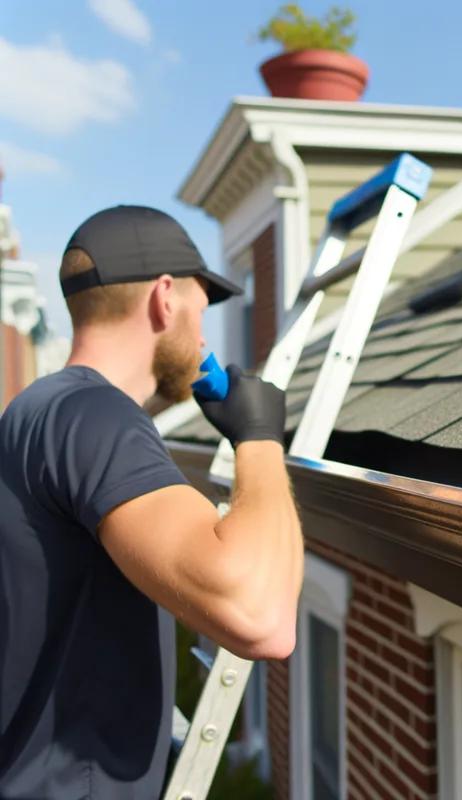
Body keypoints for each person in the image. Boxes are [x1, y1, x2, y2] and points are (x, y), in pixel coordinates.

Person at [0, 206, 304, 799]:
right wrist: (259, 438)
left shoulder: (33, 410)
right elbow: (261, 618)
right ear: (165, 298)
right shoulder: (97, 415)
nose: (203, 337)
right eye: (200, 308)